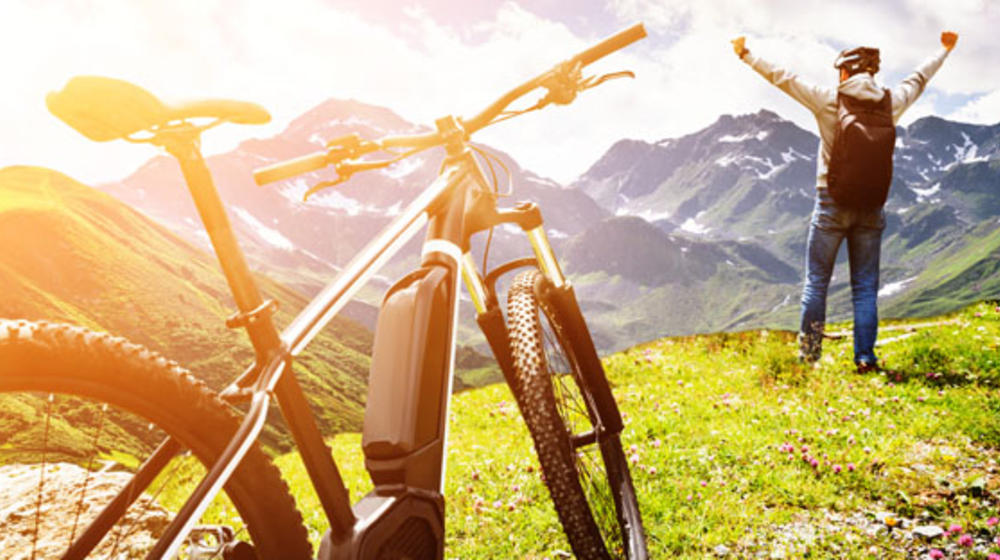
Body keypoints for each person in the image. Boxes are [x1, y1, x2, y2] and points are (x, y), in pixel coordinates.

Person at [731, 31, 958, 371]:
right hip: (871, 207)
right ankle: (865, 358)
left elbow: (783, 79)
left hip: (830, 203)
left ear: (847, 71)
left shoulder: (829, 99)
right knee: (865, 287)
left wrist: (746, 54)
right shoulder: (890, 102)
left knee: (816, 283)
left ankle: (809, 358)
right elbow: (919, 78)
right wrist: (944, 49)